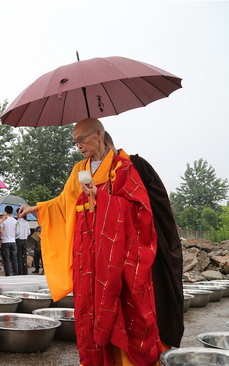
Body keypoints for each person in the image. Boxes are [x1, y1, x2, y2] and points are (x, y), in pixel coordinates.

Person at [19, 118, 163, 365]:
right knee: (88, 306)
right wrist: (36, 208)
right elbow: (65, 202)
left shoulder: (122, 168)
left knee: (126, 305)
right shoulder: (80, 169)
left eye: (82, 139)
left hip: (116, 254)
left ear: (98, 134)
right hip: (86, 250)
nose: (78, 145)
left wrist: (103, 198)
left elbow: (140, 210)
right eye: (75, 141)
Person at [104, 131, 184, 349]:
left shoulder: (136, 165)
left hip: (147, 244)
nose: (79, 146)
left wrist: (108, 201)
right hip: (115, 250)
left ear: (104, 141)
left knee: (149, 299)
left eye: (82, 140)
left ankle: (154, 350)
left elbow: (152, 205)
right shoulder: (94, 175)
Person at [0, 205, 18, 276]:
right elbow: (17, 231)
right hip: (13, 241)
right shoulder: (15, 221)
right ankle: (15, 272)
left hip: (5, 241)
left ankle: (8, 273)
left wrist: (0, 239)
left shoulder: (3, 220)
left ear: (5, 211)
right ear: (12, 212)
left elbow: (0, 230)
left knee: (6, 258)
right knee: (14, 258)